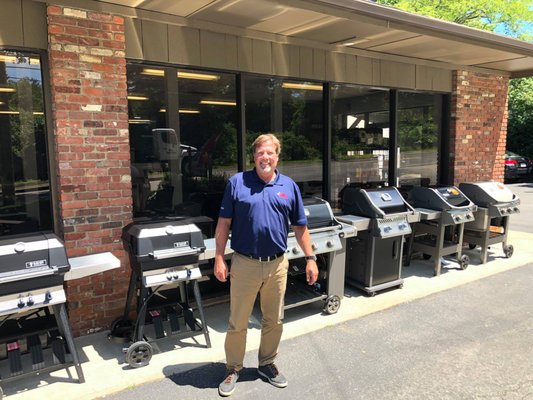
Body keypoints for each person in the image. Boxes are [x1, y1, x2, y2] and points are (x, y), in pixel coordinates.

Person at [214, 133, 319, 397]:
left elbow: (300, 227)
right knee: (238, 321)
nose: (265, 157)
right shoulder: (237, 183)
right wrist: (218, 257)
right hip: (244, 263)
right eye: (261, 153)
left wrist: (310, 258)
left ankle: (266, 363)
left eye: (270, 153)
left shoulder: (288, 186)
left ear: (277, 157)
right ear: (254, 156)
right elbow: (224, 224)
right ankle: (233, 368)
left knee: (274, 319)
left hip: (277, 265)